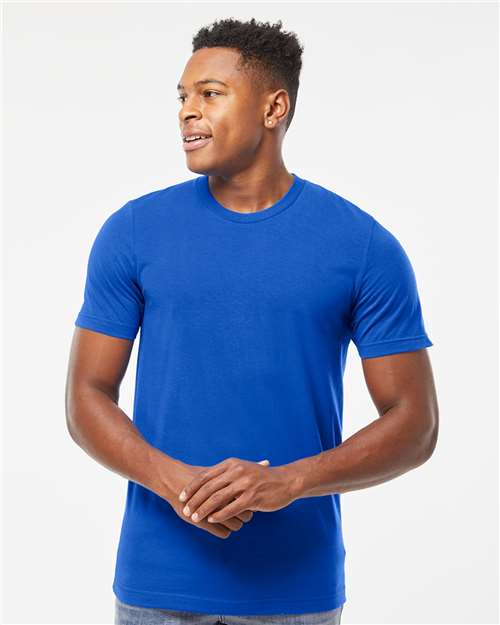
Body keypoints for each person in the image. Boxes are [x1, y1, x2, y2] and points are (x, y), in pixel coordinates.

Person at [65, 17, 439, 625]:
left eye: (210, 93)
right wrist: (174, 482)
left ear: (274, 108)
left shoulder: (362, 246)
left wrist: (288, 482)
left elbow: (415, 424)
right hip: (158, 583)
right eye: (182, 96)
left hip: (296, 590)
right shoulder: (133, 232)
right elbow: (85, 396)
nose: (187, 111)